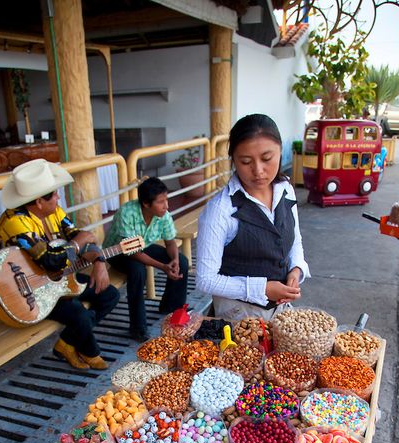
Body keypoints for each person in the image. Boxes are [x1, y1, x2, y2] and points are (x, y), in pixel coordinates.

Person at [0, 158, 120, 369]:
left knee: (109, 295)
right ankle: (89, 351)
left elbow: (80, 237)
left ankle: (66, 343)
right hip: (25, 292)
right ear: (38, 202)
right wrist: (79, 242)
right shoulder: (15, 222)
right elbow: (52, 261)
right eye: (53, 195)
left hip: (56, 279)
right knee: (78, 312)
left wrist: (99, 261)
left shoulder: (54, 212)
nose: (58, 197)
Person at [196, 114, 310, 321]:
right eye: (246, 161)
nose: (258, 171)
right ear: (233, 160)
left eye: (267, 159)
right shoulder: (220, 210)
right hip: (238, 314)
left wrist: (296, 269)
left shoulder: (285, 189)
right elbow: (206, 280)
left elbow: (294, 239)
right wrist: (261, 288)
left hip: (279, 311)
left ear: (280, 150)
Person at [105, 177, 189, 342]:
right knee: (138, 271)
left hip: (143, 245)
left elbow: (170, 241)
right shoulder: (127, 213)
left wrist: (175, 261)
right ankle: (138, 328)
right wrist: (163, 266)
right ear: (145, 203)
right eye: (161, 202)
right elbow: (133, 253)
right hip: (118, 251)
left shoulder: (163, 214)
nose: (167, 206)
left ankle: (171, 309)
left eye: (167, 200)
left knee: (183, 262)